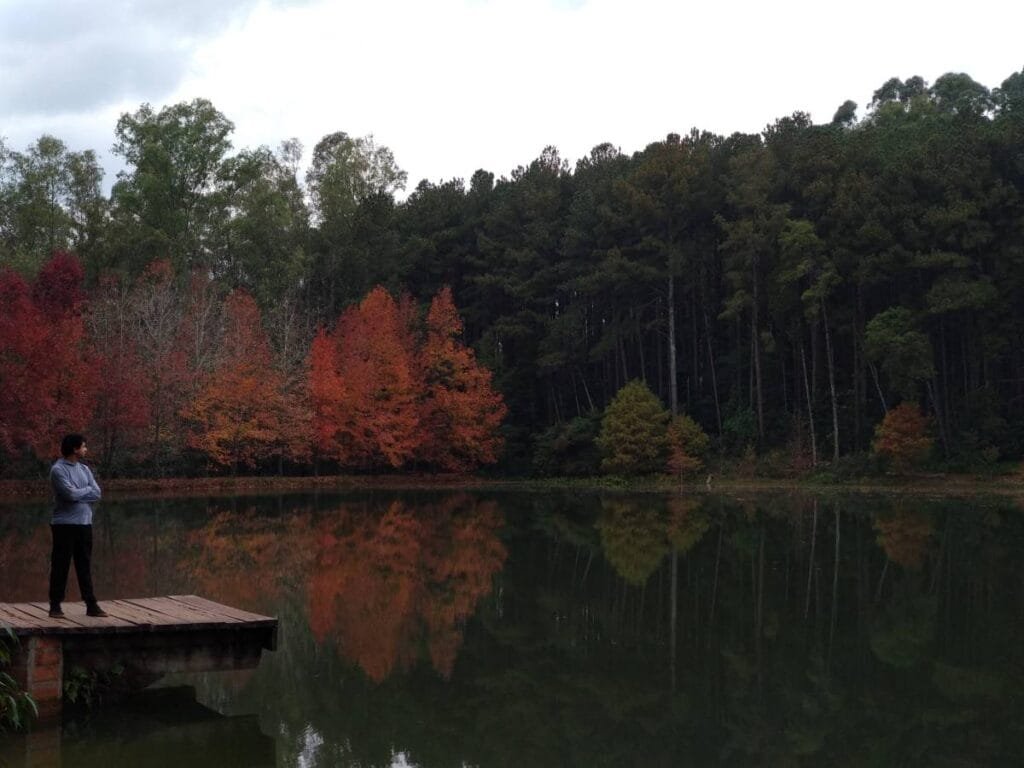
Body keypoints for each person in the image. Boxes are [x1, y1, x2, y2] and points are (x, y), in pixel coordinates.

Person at [48, 434, 108, 618]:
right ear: (74, 449)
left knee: (85, 565)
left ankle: (91, 605)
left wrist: (80, 492)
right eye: (83, 446)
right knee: (61, 566)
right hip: (64, 525)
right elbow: (69, 495)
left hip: (84, 524)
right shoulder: (58, 470)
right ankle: (55, 606)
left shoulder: (84, 469)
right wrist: (85, 491)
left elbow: (97, 493)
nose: (85, 449)